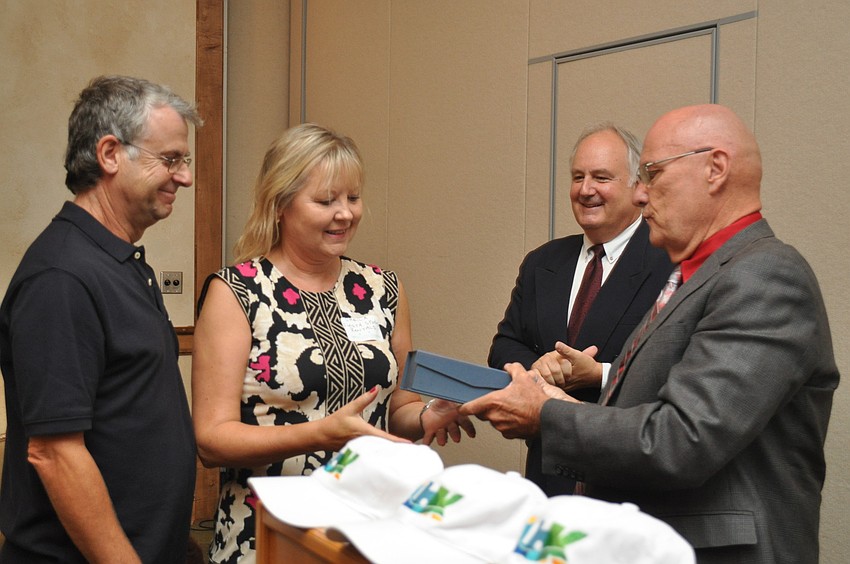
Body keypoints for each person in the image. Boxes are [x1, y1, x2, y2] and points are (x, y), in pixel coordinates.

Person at [462, 104, 839, 563]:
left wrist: (547, 416)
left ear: (715, 170)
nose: (640, 195)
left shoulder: (765, 276)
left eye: (653, 174)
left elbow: (682, 439)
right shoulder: (694, 276)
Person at [191, 123, 475, 563]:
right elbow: (211, 440)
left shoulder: (383, 289)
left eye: (353, 198)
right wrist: (320, 434)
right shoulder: (237, 293)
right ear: (280, 204)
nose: (345, 213)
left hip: (367, 531)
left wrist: (425, 416)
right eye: (326, 201)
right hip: (266, 533)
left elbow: (394, 410)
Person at [0, 75, 202, 562]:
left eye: (185, 160)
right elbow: (54, 452)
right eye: (170, 159)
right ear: (111, 154)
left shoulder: (114, 260)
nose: (185, 177)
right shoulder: (61, 277)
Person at [489, 123, 672, 495]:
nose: (586, 190)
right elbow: (503, 347)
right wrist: (537, 367)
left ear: (639, 187)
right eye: (578, 177)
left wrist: (601, 374)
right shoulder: (542, 262)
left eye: (601, 177)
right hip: (548, 476)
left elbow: (676, 371)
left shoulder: (668, 262)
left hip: (625, 483)